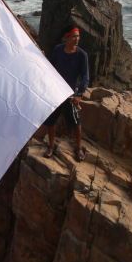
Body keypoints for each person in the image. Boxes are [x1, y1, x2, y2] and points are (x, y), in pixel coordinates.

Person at [43, 26, 89, 161]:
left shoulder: (82, 55)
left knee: (76, 122)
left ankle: (79, 148)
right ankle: (51, 146)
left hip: (70, 94)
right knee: (50, 122)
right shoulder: (58, 50)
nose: (77, 39)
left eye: (78, 36)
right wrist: (42, 57)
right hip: (55, 92)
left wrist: (80, 94)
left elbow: (85, 76)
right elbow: (49, 68)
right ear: (66, 38)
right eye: (74, 36)